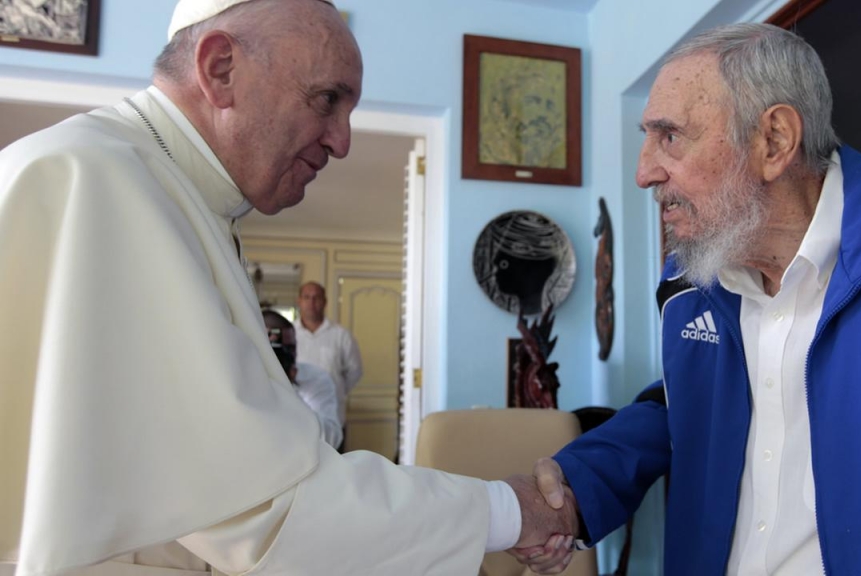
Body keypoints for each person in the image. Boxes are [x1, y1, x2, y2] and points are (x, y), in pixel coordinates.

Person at [0, 1, 577, 574]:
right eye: (327, 99)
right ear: (221, 69)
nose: (342, 141)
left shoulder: (168, 189)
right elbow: (260, 508)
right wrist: (507, 509)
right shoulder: (96, 183)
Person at [512, 22, 861, 575]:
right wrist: (580, 486)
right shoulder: (690, 276)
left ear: (774, 140)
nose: (643, 172)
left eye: (670, 136)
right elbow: (690, 401)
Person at [264, 309, 343, 450]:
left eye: (287, 349)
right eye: (271, 350)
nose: (279, 358)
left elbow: (331, 439)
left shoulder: (316, 378)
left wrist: (288, 390)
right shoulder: (237, 382)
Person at [295, 280, 362, 447]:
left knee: (334, 470)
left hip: (333, 420)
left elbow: (355, 370)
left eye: (317, 298)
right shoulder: (290, 334)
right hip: (295, 422)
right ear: (299, 301)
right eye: (307, 297)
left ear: (324, 302)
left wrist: (335, 389)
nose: (311, 302)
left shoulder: (341, 335)